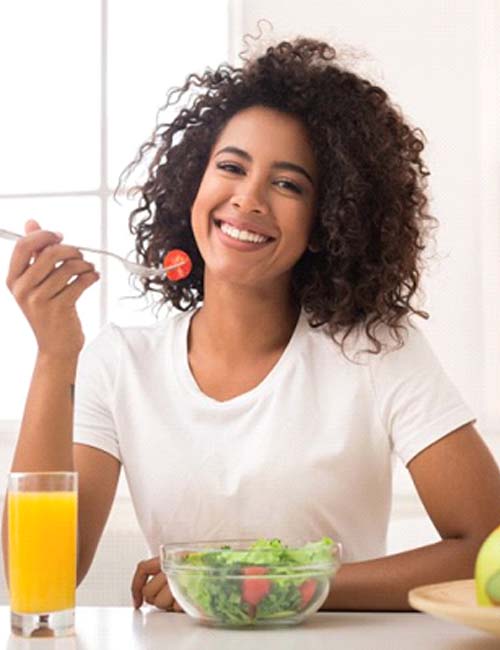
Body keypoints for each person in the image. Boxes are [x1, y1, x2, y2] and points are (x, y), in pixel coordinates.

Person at [3, 36, 500, 614]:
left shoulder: (374, 349)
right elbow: (42, 577)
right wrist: (54, 355)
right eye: (231, 167)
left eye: (288, 184)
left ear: (326, 220)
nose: (248, 198)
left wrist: (277, 585)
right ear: (195, 184)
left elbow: (488, 542)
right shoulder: (119, 365)